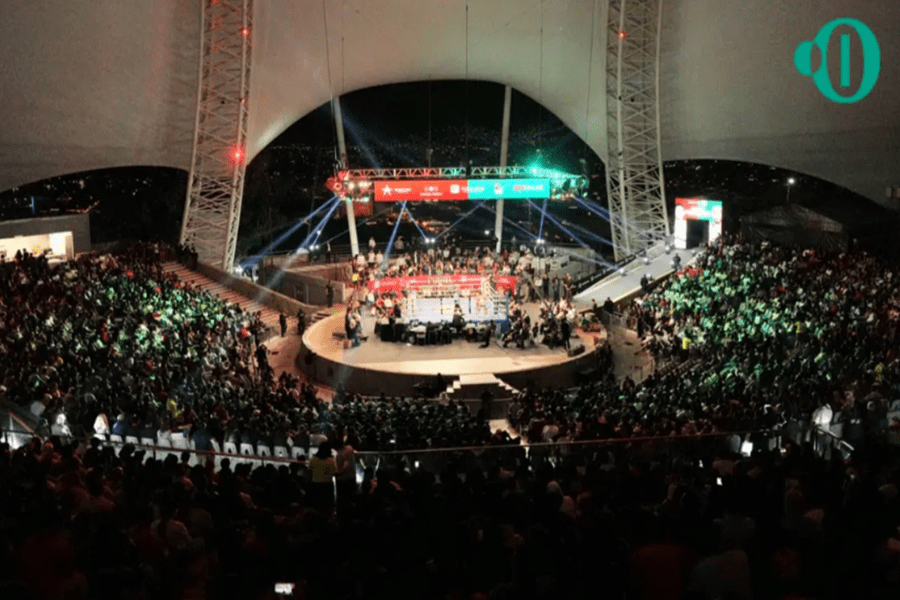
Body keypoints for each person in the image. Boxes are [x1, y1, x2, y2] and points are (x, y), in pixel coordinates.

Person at [308, 442, 337, 512]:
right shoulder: (331, 460)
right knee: (327, 507)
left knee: (317, 506)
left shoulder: (314, 459)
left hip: (316, 484)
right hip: (327, 485)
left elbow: (309, 471)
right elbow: (334, 472)